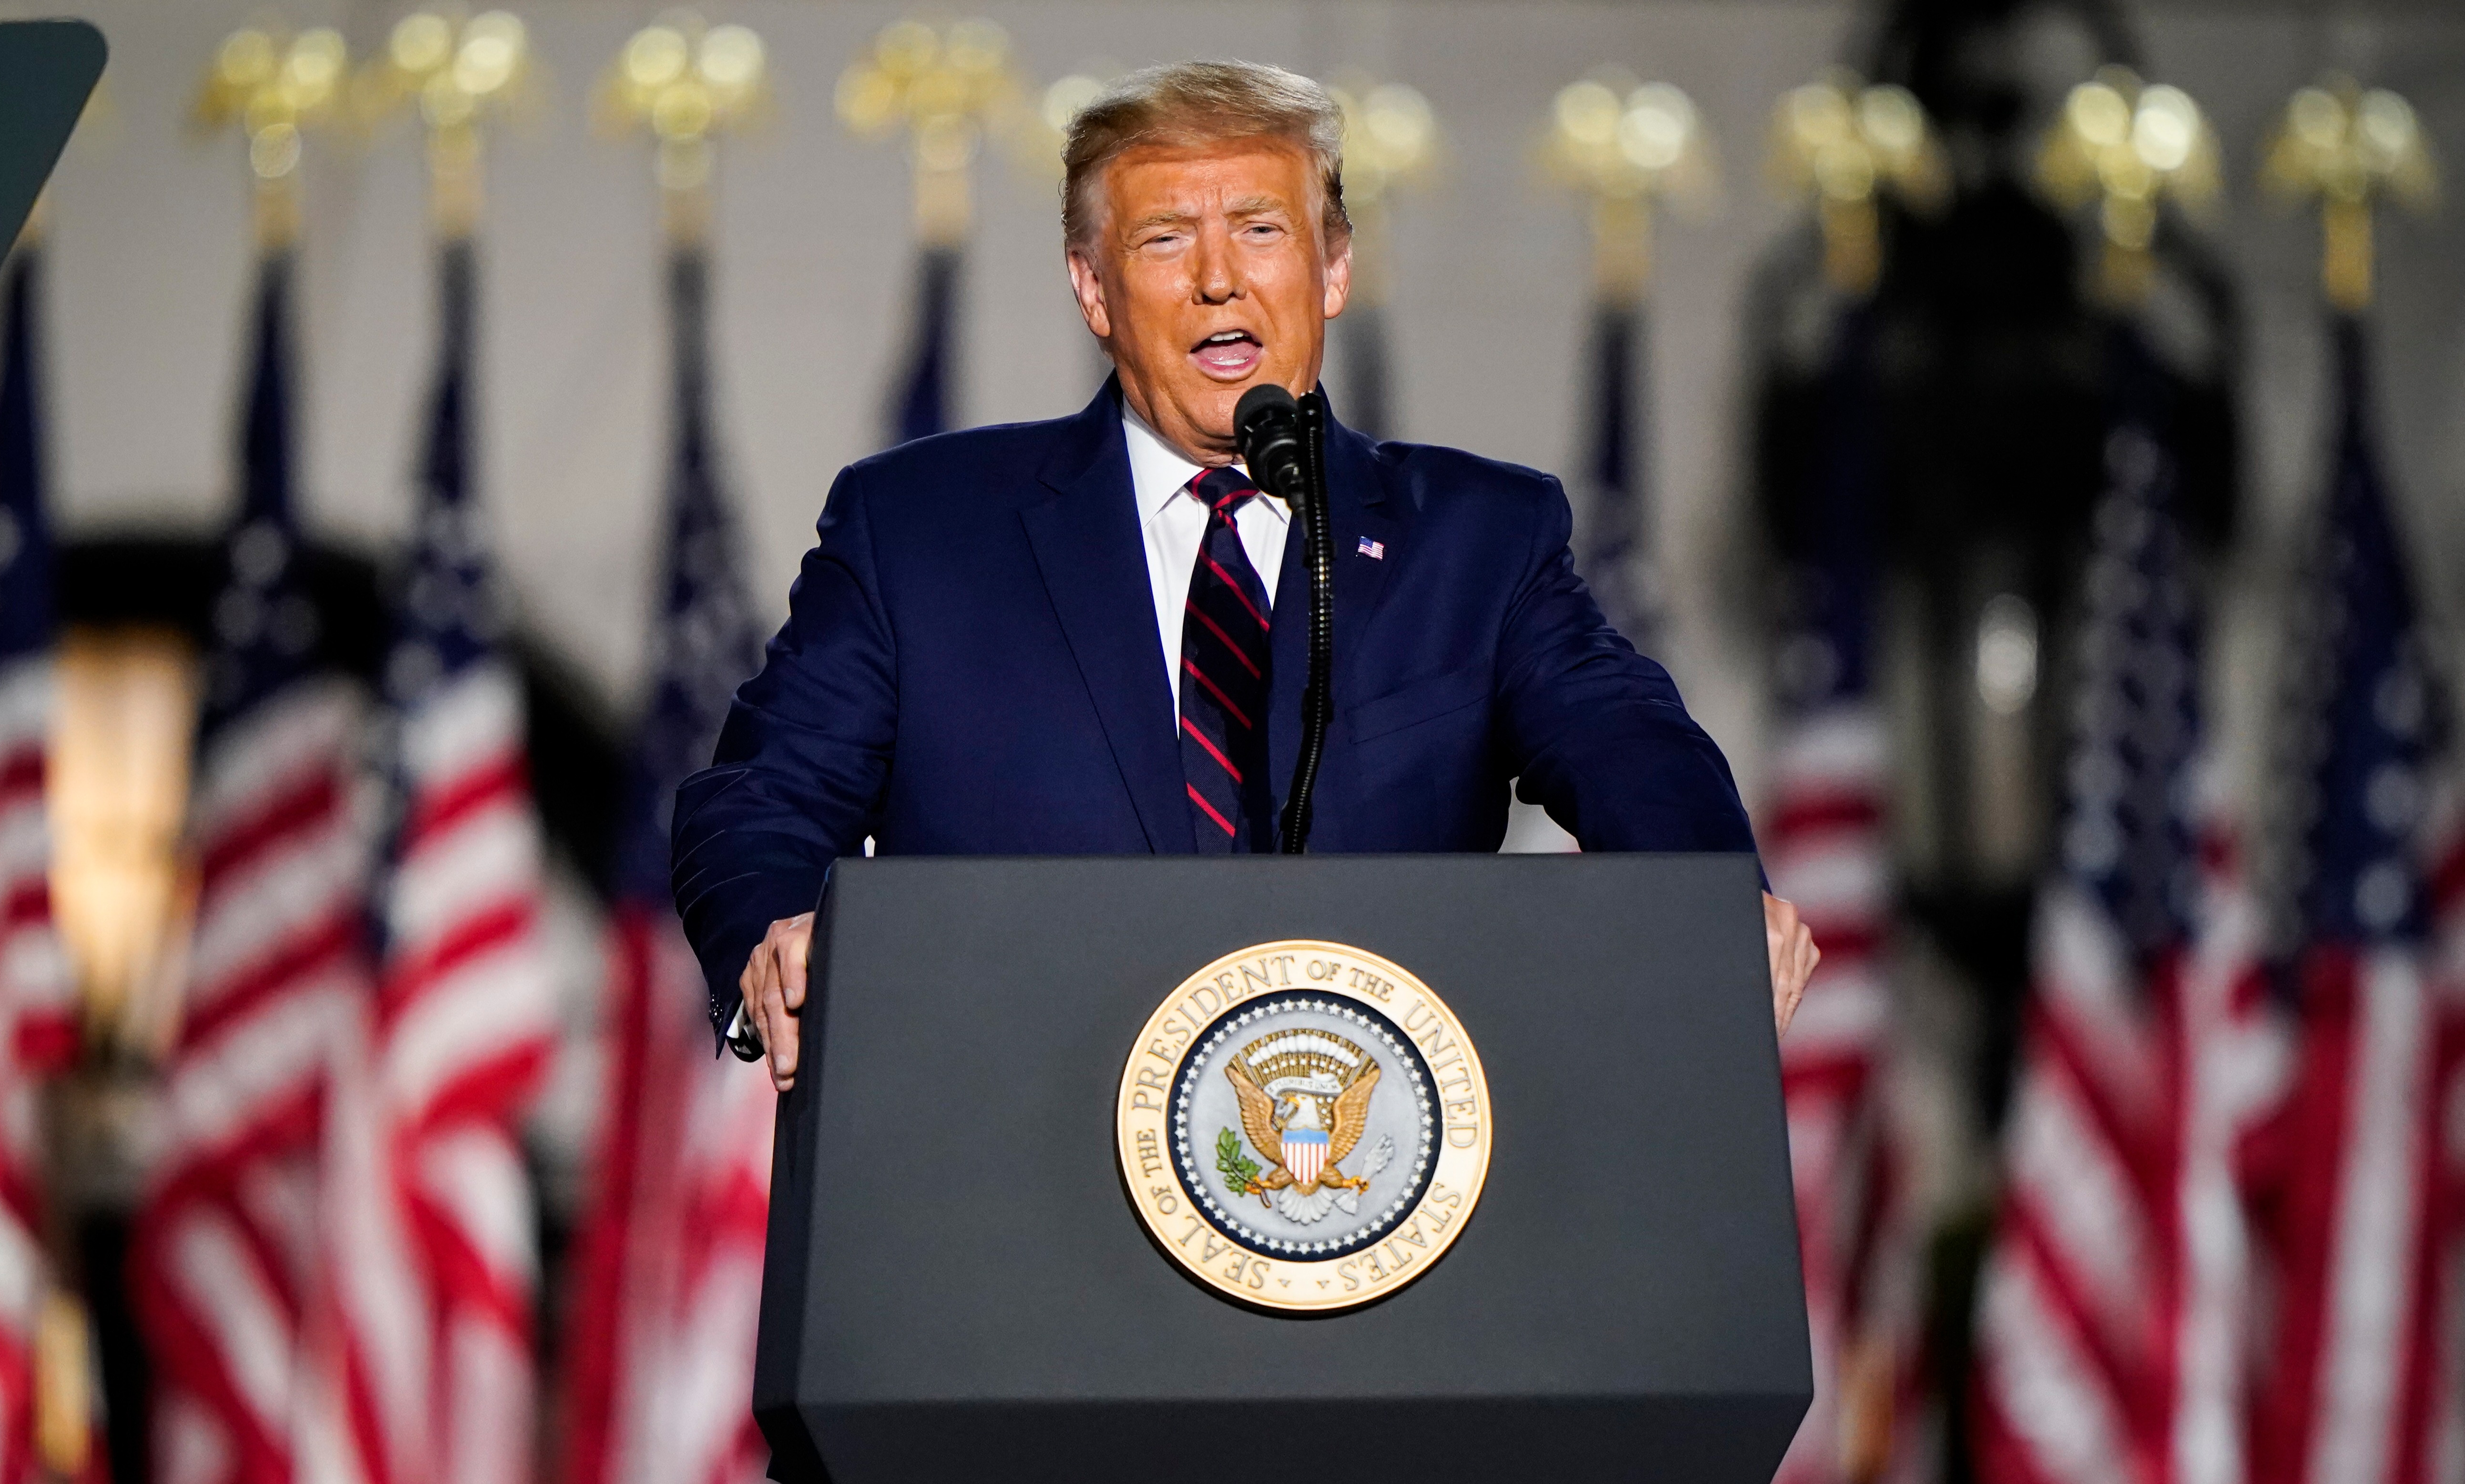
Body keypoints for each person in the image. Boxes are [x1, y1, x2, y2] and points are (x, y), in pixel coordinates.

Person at [675, 60, 1818, 1090]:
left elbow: (1629, 747)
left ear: (1333, 269)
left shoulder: (1476, 541)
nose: (1218, 279)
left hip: (1364, 1165)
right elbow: (763, 797)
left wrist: (1708, 904)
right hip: (1006, 1134)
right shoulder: (920, 530)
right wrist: (779, 940)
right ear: (1092, 290)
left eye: (1261, 230)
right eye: (1164, 240)